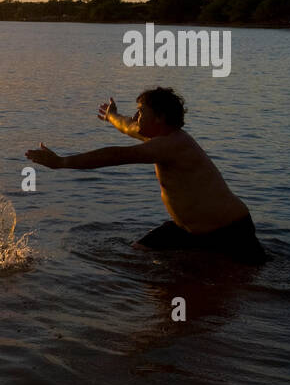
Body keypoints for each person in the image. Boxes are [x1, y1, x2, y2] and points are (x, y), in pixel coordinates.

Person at [25, 87, 268, 264]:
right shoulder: (160, 138)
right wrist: (111, 116)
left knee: (242, 282)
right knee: (139, 251)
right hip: (188, 230)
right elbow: (128, 125)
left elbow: (117, 156)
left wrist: (62, 162)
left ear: (160, 117)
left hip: (229, 232)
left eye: (141, 111)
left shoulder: (174, 144)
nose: (136, 116)